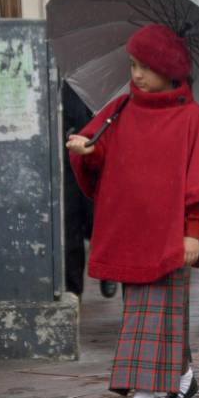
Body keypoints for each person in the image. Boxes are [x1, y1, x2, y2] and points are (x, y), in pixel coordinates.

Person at [67, 24, 199, 398]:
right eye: (134, 65)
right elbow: (99, 156)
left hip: (170, 237)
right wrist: (85, 152)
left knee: (147, 316)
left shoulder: (192, 119)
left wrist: (193, 230)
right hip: (130, 233)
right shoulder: (120, 109)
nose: (136, 74)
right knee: (154, 314)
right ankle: (184, 379)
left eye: (146, 67)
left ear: (170, 70)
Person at [61, 82, 117, 299]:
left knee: (100, 219)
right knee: (71, 222)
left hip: (102, 156)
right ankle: (74, 290)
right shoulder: (68, 78)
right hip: (69, 156)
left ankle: (108, 271)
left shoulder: (111, 82)